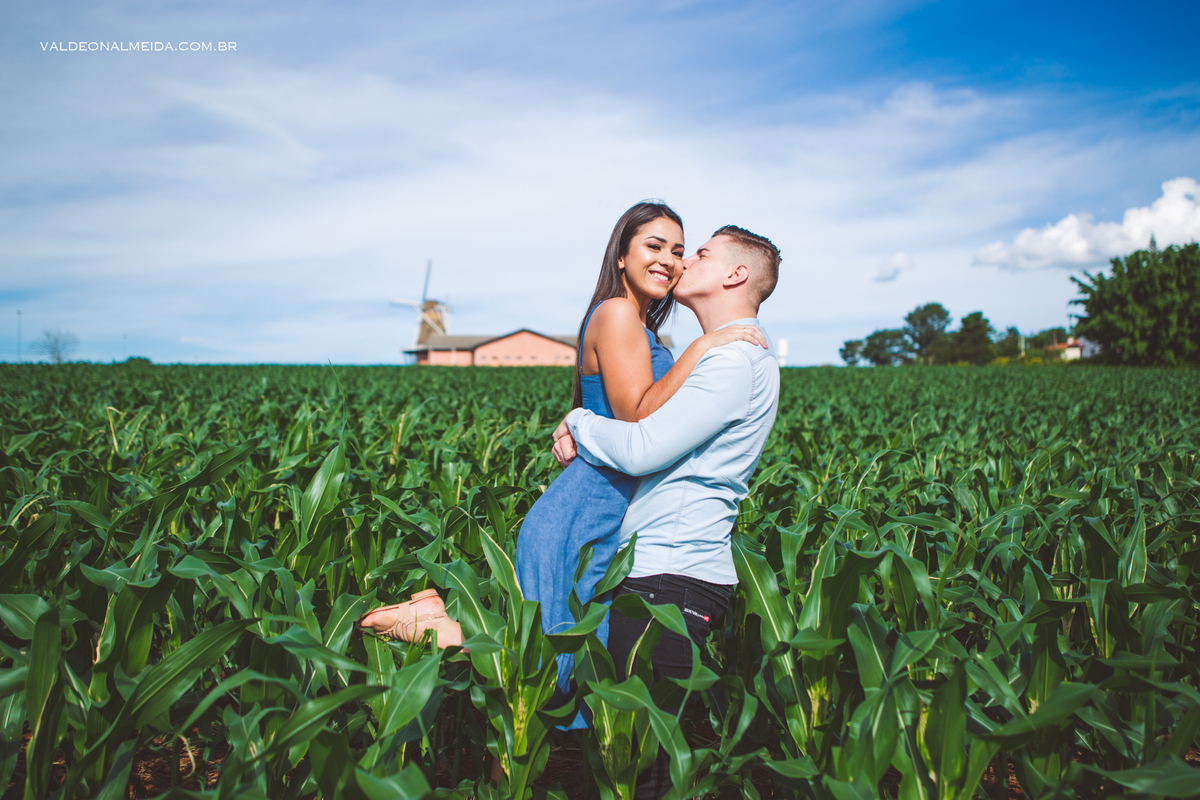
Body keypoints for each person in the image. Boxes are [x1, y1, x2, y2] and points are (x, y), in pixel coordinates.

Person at [358, 205, 766, 682]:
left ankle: (437, 620)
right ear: (621, 256)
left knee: (571, 663)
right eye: (653, 246)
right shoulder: (617, 314)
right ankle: (438, 629)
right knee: (549, 668)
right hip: (586, 509)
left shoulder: (640, 328)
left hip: (607, 510)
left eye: (679, 251)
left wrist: (579, 421)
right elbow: (638, 415)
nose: (671, 260)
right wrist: (701, 347)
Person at [552, 224, 782, 799]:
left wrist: (576, 422)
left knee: (650, 768)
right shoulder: (724, 355)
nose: (683, 262)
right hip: (662, 574)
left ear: (734, 275)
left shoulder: (732, 361)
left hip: (671, 580)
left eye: (698, 253)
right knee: (632, 755)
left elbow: (643, 446)